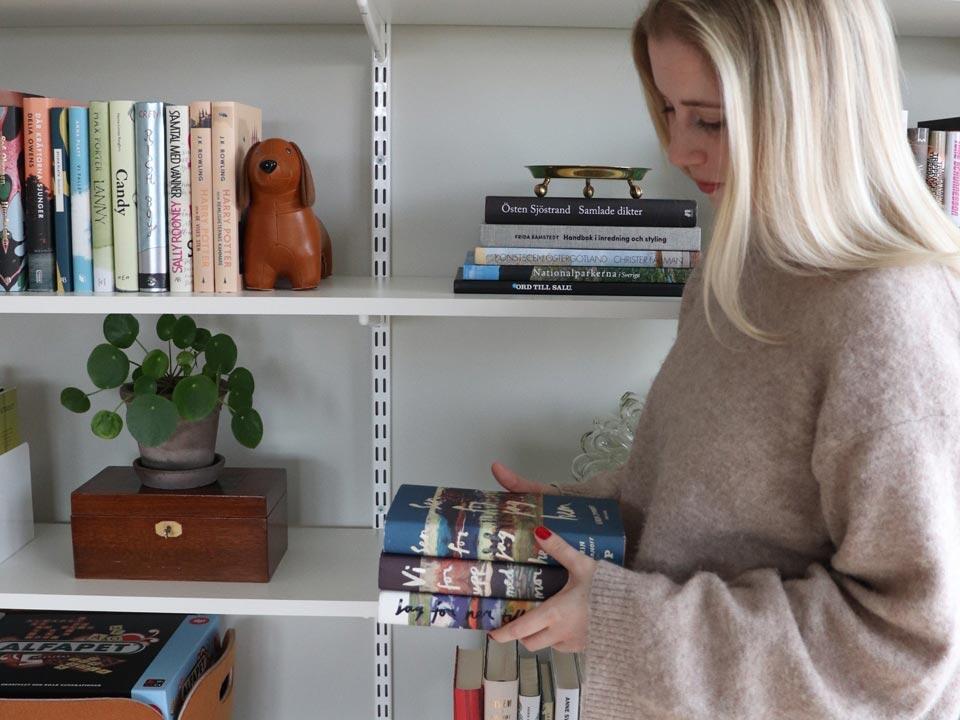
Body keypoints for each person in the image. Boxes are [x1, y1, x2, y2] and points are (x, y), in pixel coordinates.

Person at [487, 0, 960, 718]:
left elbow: (903, 648)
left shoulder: (886, 314)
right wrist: (587, 512)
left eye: (708, 119)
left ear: (814, 111)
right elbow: (714, 495)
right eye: (669, 109)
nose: (678, 150)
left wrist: (622, 622)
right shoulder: (744, 262)